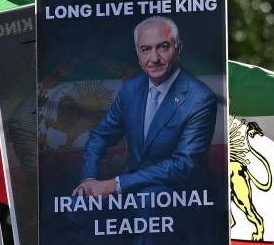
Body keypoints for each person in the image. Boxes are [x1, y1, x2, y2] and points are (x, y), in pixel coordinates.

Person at [73, 15, 219, 198]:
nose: (154, 58)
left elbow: (184, 165)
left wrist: (116, 185)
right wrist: (88, 180)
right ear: (137, 53)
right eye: (145, 49)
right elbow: (100, 136)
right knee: (76, 206)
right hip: (131, 189)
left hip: (178, 194)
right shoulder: (130, 90)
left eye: (163, 47)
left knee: (149, 202)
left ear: (178, 48)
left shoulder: (200, 98)